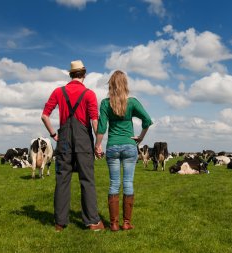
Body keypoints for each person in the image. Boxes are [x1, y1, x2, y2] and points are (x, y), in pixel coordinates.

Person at [41, 60, 104, 232]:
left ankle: (60, 223)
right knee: (87, 180)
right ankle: (92, 222)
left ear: (71, 75)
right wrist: (98, 145)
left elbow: (44, 116)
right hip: (83, 140)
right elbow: (94, 122)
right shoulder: (89, 94)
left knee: (62, 180)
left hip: (64, 141)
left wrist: (54, 134)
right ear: (84, 74)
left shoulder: (59, 92)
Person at [95, 70, 152, 231]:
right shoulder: (132, 102)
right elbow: (147, 120)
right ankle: (126, 223)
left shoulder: (106, 103)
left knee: (114, 183)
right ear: (125, 84)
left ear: (111, 85)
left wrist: (97, 145)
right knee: (128, 183)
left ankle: (113, 224)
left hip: (112, 146)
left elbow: (101, 127)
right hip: (129, 146)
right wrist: (140, 137)